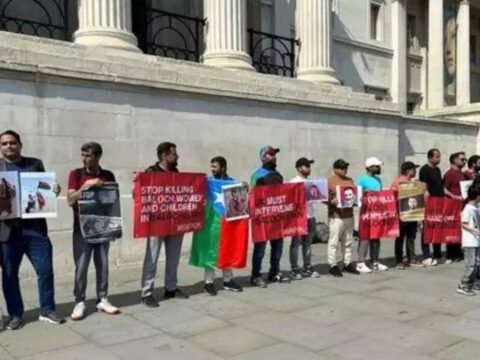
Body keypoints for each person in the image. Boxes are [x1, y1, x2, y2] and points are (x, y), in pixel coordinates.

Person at [0, 130, 64, 330]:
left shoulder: (34, 163)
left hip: (34, 229)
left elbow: (44, 188)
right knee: (9, 275)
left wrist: (54, 189)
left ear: (20, 144)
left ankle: (47, 310)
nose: (9, 146)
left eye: (12, 142)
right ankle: (15, 314)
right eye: (4, 144)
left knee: (45, 271)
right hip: (6, 231)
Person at [66, 142, 120, 320]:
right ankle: (79, 300)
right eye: (82, 155)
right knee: (81, 266)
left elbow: (114, 200)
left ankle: (102, 298)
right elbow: (69, 200)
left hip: (102, 227)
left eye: (88, 155)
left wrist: (114, 228)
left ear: (97, 156)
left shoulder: (108, 175)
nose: (84, 159)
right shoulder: (76, 174)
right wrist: (85, 187)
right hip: (81, 228)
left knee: (103, 265)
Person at [137, 142, 189, 308]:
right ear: (164, 155)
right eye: (174, 153)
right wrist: (137, 184)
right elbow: (139, 195)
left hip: (174, 222)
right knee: (151, 258)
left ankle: (171, 288)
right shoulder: (150, 172)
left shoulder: (176, 172)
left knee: (173, 258)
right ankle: (147, 292)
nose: (177, 156)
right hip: (156, 224)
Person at [189, 156, 244, 296]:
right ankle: (208, 282)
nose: (212, 169)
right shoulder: (208, 182)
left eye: (215, 166)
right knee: (210, 251)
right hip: (211, 224)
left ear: (223, 167)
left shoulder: (232, 183)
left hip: (227, 224)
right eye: (211, 166)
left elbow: (240, 201)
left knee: (227, 250)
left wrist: (244, 187)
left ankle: (228, 280)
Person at [250, 146, 289, 287]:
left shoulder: (278, 175)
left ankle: (274, 273)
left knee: (277, 247)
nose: (274, 157)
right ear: (263, 157)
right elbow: (251, 195)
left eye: (275, 155)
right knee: (260, 249)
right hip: (262, 219)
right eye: (271, 154)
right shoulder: (258, 175)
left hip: (277, 219)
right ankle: (255, 276)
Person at [327, 159, 360, 276]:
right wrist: (331, 201)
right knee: (334, 241)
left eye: (346, 167)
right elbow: (322, 197)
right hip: (336, 216)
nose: (345, 169)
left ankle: (347, 263)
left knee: (348, 241)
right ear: (335, 169)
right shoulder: (330, 181)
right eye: (342, 167)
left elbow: (355, 195)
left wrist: (358, 199)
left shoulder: (350, 180)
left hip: (349, 214)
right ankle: (332, 264)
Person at [289, 157, 320, 280]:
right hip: (297, 217)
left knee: (308, 243)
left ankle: (307, 266)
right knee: (296, 243)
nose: (309, 168)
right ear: (299, 168)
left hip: (310, 216)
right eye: (306, 166)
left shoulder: (311, 182)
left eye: (309, 166)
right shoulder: (293, 182)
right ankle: (294, 268)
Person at [356, 157, 388, 272]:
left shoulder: (378, 180)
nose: (379, 168)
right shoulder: (362, 180)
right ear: (370, 167)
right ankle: (360, 262)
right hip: (366, 213)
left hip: (377, 213)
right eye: (376, 166)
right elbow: (357, 195)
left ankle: (374, 261)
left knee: (376, 237)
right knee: (364, 237)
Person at [390, 161, 423, 269]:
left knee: (411, 237)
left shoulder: (413, 183)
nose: (416, 171)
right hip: (401, 215)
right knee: (400, 238)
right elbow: (392, 197)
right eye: (414, 169)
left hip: (412, 214)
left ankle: (411, 258)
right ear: (408, 170)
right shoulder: (398, 182)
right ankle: (399, 260)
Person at [419, 149, 444, 266]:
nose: (439, 159)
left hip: (439, 202)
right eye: (437, 157)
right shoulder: (424, 170)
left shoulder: (438, 170)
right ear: (430, 158)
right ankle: (426, 255)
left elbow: (441, 185)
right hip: (429, 203)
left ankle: (437, 254)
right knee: (427, 229)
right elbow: (423, 186)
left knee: (437, 228)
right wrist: (425, 195)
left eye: (439, 156)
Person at [444, 152, 468, 263]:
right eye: (462, 159)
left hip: (462, 205)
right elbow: (443, 188)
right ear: (454, 160)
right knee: (451, 229)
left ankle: (458, 252)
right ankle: (450, 254)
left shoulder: (462, 174)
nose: (465, 161)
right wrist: (453, 196)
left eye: (465, 159)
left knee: (459, 229)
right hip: (451, 205)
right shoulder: (449, 173)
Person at [456, 184, 480, 296]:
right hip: (470, 241)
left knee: (476, 263)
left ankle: (474, 283)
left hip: (476, 240)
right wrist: (474, 230)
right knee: (470, 264)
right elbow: (463, 224)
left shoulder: (475, 208)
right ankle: (463, 285)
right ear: (477, 196)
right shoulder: (468, 208)